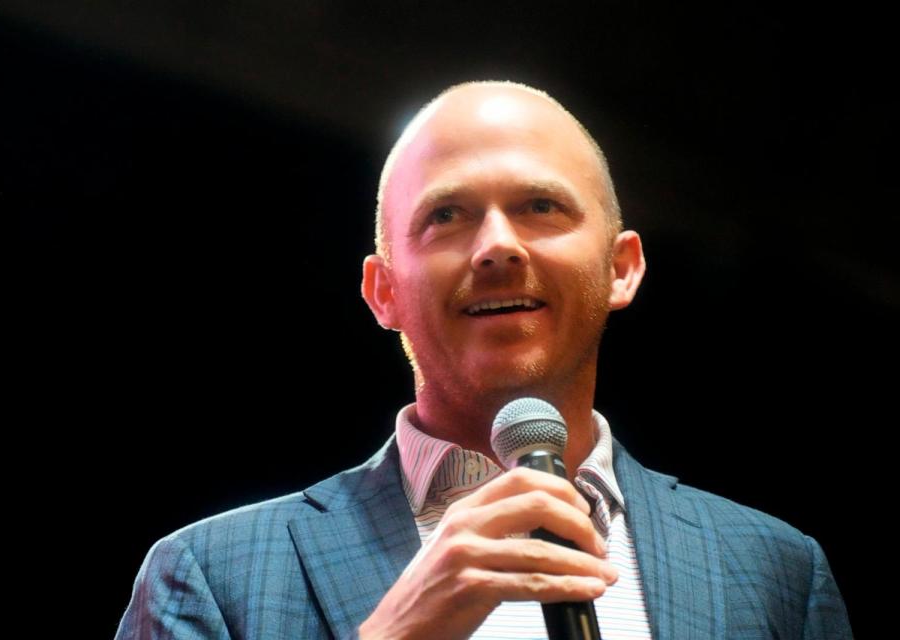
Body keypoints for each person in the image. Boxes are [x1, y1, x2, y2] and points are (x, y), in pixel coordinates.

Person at [114, 81, 853, 639]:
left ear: (622, 268)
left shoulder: (775, 571)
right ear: (383, 292)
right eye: (447, 215)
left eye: (541, 206)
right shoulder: (211, 576)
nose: (497, 245)